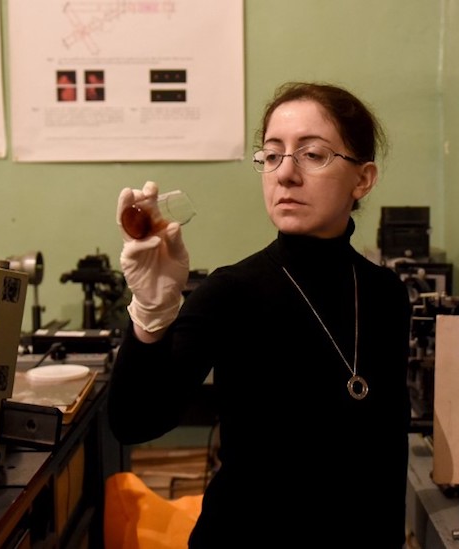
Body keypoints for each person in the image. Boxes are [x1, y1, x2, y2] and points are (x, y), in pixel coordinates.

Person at [108, 82, 412, 547]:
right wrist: (151, 312)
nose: (285, 174)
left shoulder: (386, 294)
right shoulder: (232, 291)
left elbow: (386, 458)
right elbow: (135, 421)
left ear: (362, 178)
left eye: (312, 154)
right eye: (272, 156)